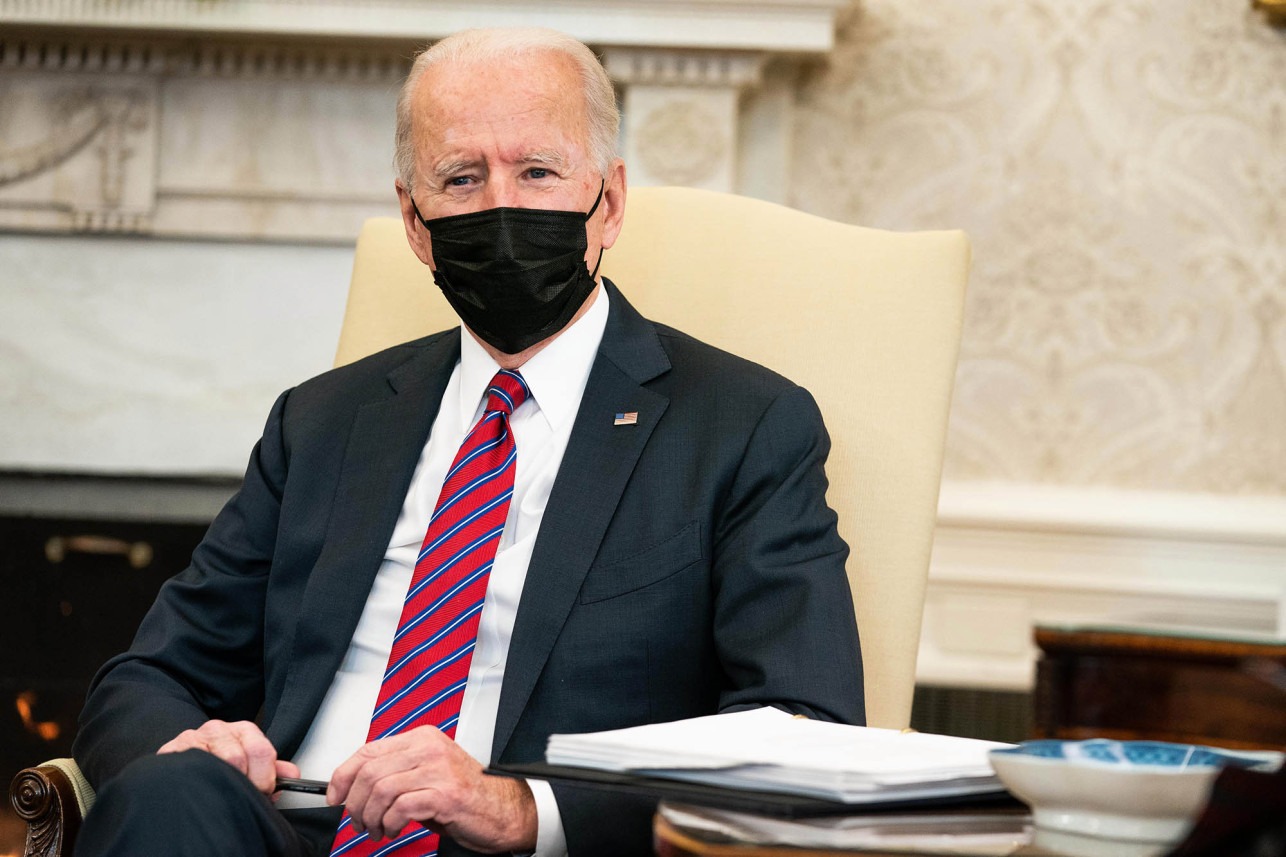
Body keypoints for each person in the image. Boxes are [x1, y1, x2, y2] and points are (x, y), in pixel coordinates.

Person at [71, 26, 864, 857]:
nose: (502, 207)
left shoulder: (742, 426)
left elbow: (803, 729)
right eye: (460, 178)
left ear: (612, 202)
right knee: (173, 795)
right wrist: (188, 747)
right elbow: (150, 678)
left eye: (538, 172)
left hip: (516, 845)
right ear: (415, 223)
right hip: (285, 831)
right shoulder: (323, 422)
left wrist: (522, 808)